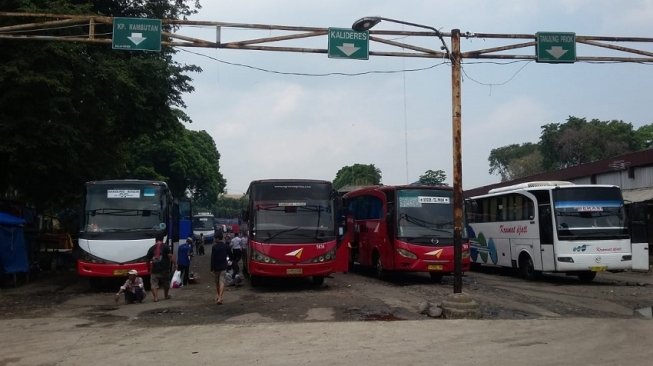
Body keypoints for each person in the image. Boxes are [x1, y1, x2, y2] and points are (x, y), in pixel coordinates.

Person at [146, 235, 174, 302]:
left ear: (155, 240)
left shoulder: (151, 248)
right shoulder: (166, 247)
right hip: (164, 269)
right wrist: (175, 264)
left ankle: (156, 298)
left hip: (154, 270)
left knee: (154, 284)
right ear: (162, 240)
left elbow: (147, 260)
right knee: (166, 283)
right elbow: (170, 256)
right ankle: (166, 295)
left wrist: (149, 268)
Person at [210, 231, 229, 305]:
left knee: (217, 283)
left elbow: (212, 258)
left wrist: (211, 269)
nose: (214, 239)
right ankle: (220, 297)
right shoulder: (226, 246)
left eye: (215, 238)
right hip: (224, 266)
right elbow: (230, 255)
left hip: (216, 268)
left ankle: (219, 296)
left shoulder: (214, 247)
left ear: (217, 238)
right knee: (222, 282)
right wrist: (229, 261)